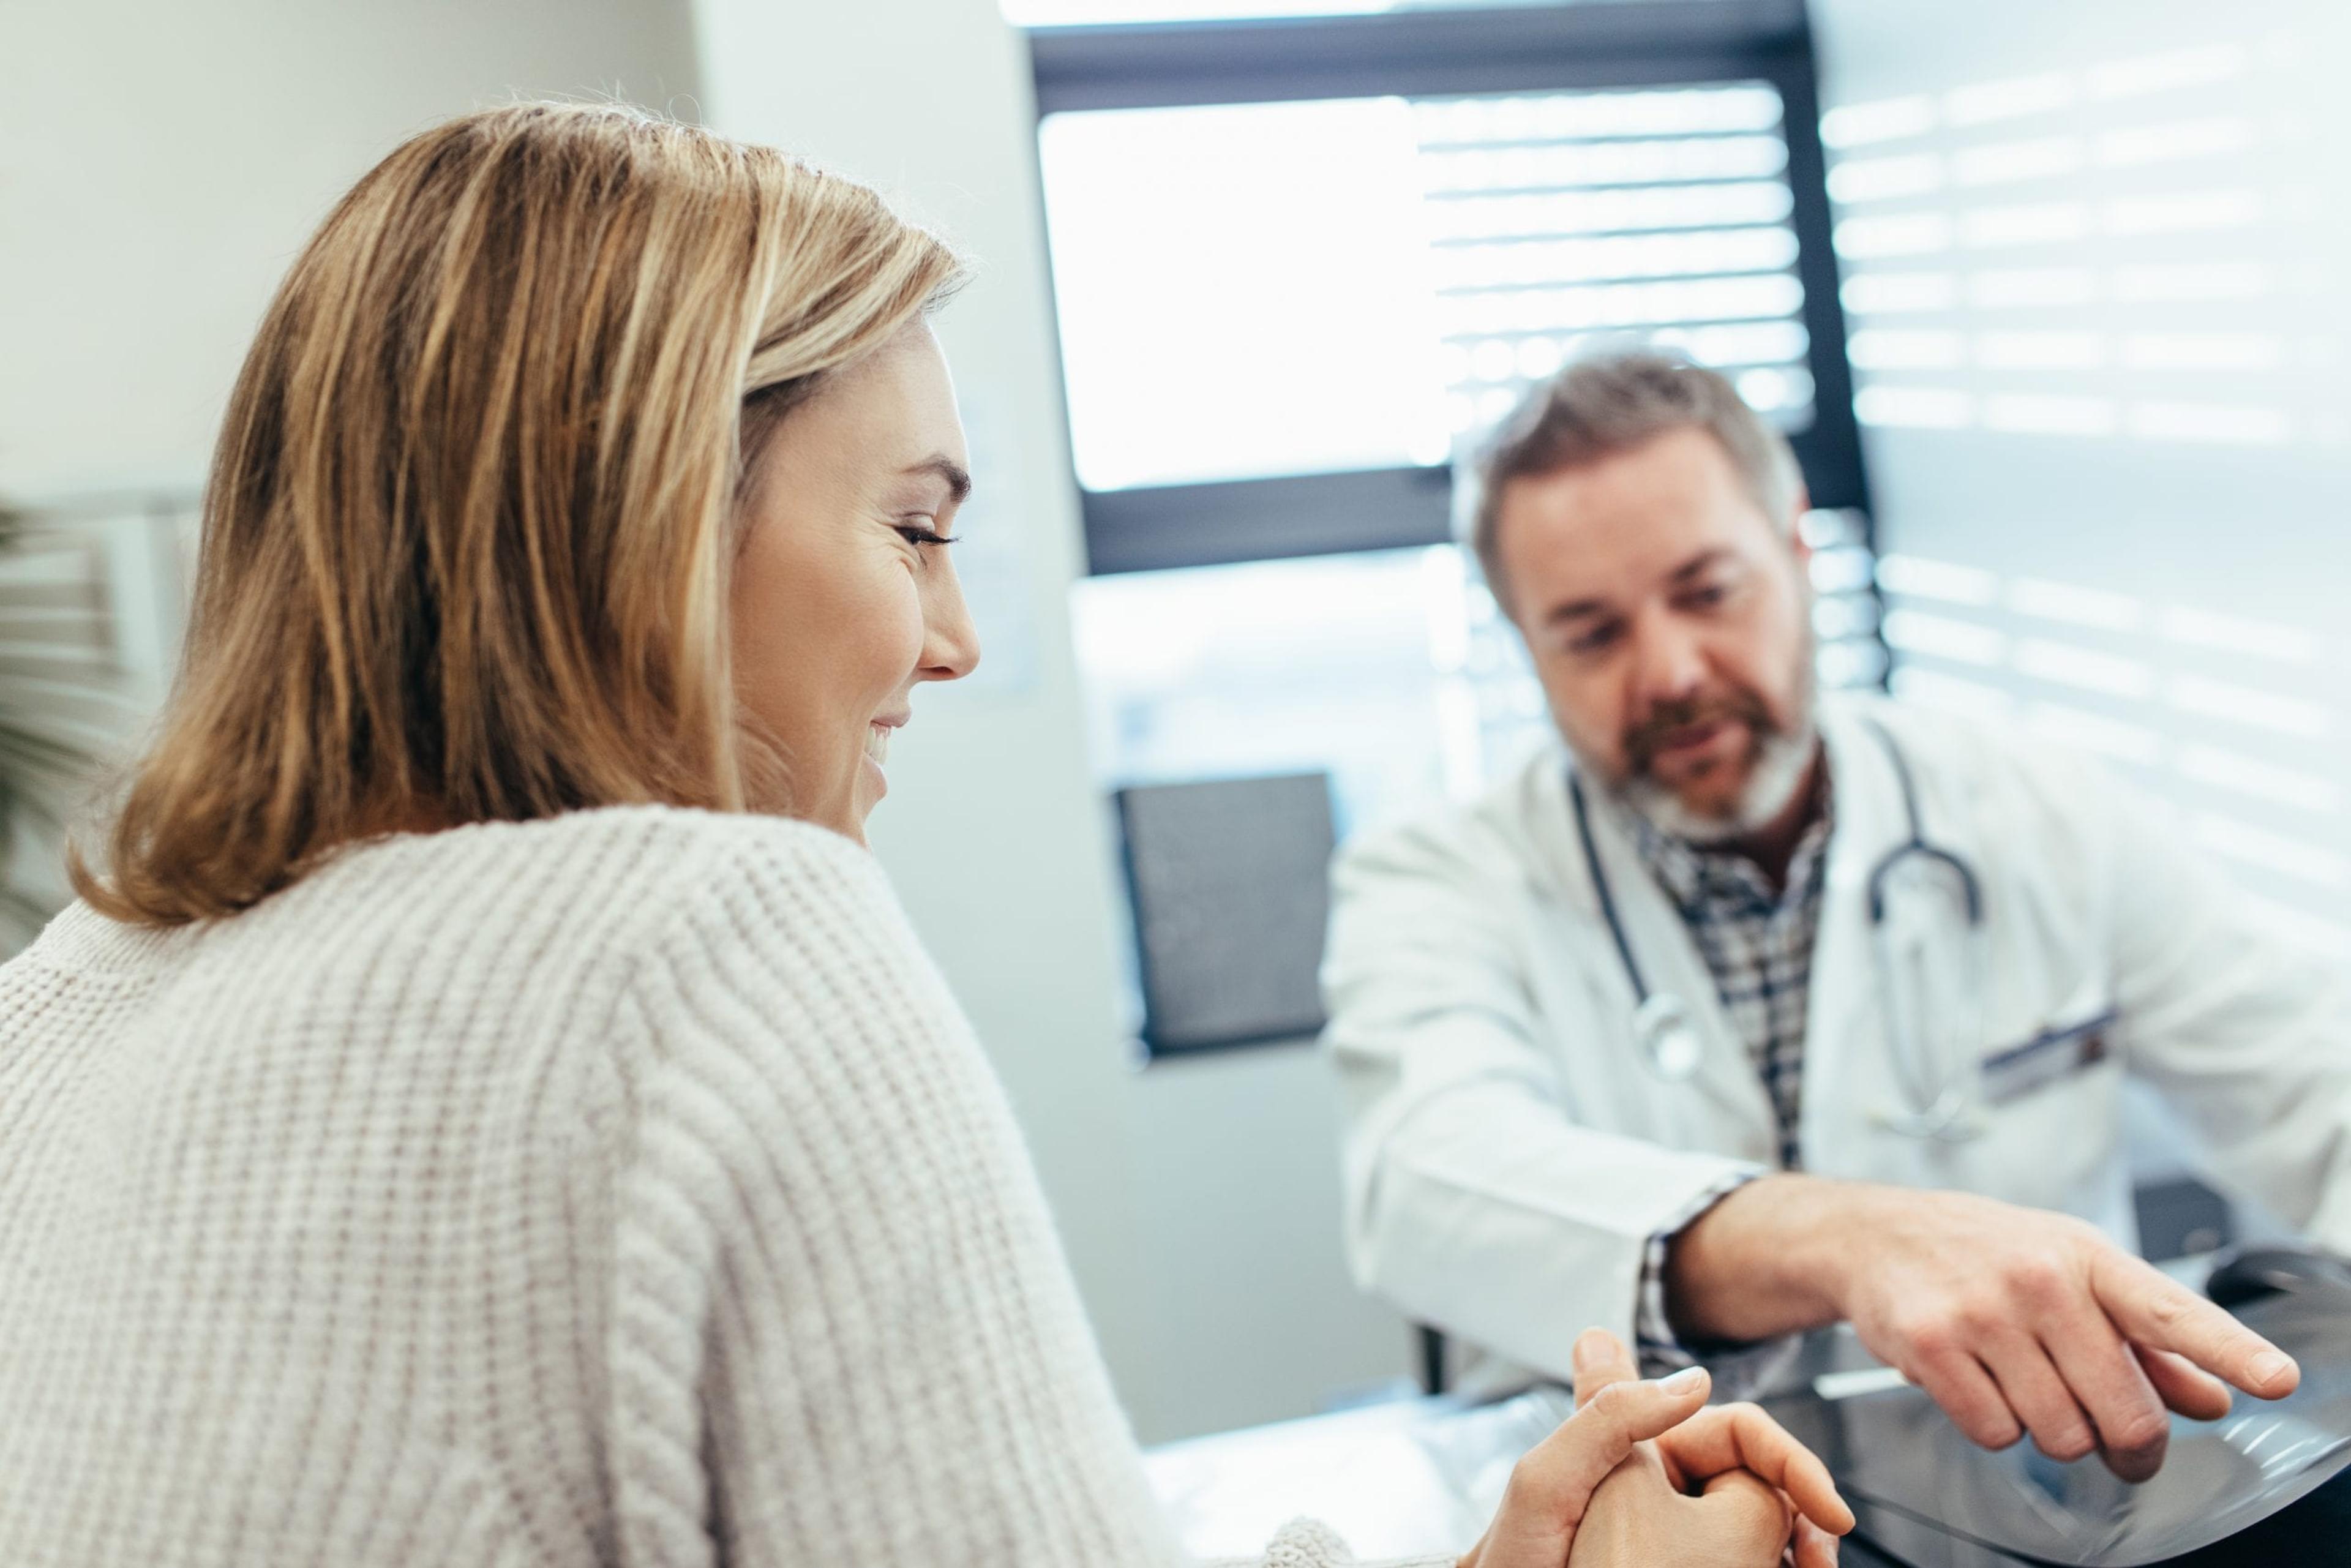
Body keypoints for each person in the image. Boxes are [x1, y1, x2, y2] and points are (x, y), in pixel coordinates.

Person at [0, 107, 1853, 1568]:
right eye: (911, 528)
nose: (955, 639)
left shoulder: (58, 1009)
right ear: (645, 519)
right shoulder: (719, 945)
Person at [1322, 350, 2345, 1484]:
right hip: (1655, 1531)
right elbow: (1427, 1177)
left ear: (1798, 550)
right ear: (1526, 646)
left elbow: (2319, 1080)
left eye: (1709, 591)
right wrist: (1854, 1238)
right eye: (1592, 634)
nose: (1670, 670)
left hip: (2041, 1509)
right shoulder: (1431, 879)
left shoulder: (2036, 809)